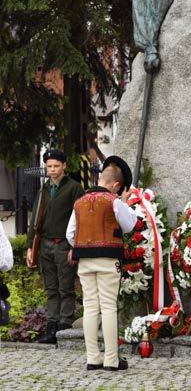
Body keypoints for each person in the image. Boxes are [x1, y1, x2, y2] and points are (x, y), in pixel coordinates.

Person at [66, 156, 136, 371]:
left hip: (85, 261)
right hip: (108, 259)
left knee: (90, 308)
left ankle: (92, 358)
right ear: (116, 185)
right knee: (107, 307)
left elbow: (70, 234)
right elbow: (129, 226)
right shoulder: (113, 200)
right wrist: (123, 203)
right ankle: (111, 359)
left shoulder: (79, 201)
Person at [26, 149, 84, 343]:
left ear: (64, 166)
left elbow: (80, 220)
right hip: (45, 245)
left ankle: (64, 327)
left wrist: (74, 246)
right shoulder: (43, 189)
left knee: (66, 288)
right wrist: (29, 246)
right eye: (49, 166)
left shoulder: (74, 188)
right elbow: (35, 218)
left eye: (56, 166)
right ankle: (51, 328)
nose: (52, 169)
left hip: (64, 245)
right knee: (51, 289)